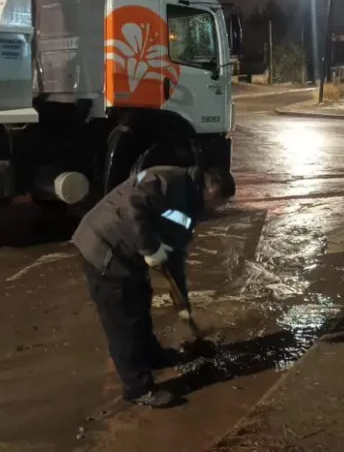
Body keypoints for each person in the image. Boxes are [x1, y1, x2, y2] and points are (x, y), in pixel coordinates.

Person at [71, 165, 233, 408]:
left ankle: (152, 356)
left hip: (129, 253)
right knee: (124, 320)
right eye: (218, 202)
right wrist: (150, 248)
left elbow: (175, 258)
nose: (216, 209)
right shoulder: (169, 180)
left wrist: (183, 305)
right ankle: (137, 388)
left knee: (140, 302)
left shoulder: (190, 207)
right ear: (211, 189)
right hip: (105, 249)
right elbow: (135, 204)